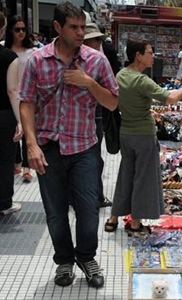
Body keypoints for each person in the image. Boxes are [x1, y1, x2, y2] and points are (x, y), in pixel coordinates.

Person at [19, 2, 119, 288]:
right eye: (73, 27)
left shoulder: (96, 61)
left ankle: (86, 257)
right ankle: (64, 260)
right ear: (58, 27)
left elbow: (112, 102)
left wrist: (89, 83)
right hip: (48, 147)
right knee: (55, 210)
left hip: (85, 147)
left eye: (82, 27)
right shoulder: (38, 61)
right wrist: (31, 143)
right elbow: (26, 102)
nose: (80, 33)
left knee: (88, 209)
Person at [104, 38, 182, 235]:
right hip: (143, 136)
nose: (153, 55)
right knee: (143, 179)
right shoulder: (142, 80)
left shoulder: (122, 75)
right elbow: (171, 98)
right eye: (149, 52)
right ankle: (136, 224)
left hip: (126, 134)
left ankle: (113, 218)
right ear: (138, 55)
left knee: (126, 176)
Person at [82, 22, 114, 208]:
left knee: (95, 158)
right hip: (82, 120)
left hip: (97, 115)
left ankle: (97, 196)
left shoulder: (101, 58)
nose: (97, 42)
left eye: (99, 39)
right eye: (94, 39)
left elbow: (111, 95)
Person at [5, 15, 36, 182]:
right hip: (8, 96)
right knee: (13, 131)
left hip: (26, 95)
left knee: (26, 130)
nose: (21, 32)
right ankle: (16, 162)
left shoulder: (32, 52)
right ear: (10, 30)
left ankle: (26, 167)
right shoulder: (4, 49)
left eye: (24, 29)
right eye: (17, 29)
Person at [0, 11, 23, 216]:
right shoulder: (9, 57)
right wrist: (20, 120)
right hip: (4, 115)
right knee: (6, 159)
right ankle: (4, 203)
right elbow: (12, 90)